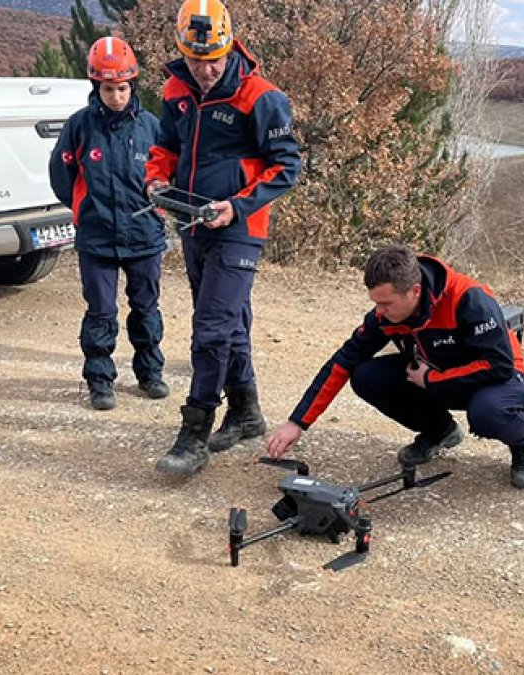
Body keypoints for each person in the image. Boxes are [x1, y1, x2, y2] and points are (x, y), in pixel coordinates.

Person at [145, 0, 301, 474]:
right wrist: (156, 179)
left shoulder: (260, 96)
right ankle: (246, 410)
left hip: (240, 228)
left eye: (214, 58)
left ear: (230, 45)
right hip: (192, 221)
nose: (206, 69)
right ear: (182, 52)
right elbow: (166, 147)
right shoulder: (175, 89)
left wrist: (237, 204)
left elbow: (286, 166)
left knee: (211, 327)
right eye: (196, 60)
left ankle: (194, 431)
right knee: (229, 322)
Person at [265, 245, 524, 489]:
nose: (379, 311)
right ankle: (440, 431)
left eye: (386, 303)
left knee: (488, 412)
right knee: (366, 376)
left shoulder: (469, 299)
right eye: (375, 303)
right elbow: (343, 361)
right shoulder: (386, 314)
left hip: (496, 378)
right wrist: (298, 422)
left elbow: (499, 366)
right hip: (435, 375)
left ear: (415, 291)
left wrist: (433, 379)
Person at [50, 36, 169, 411]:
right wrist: (85, 210)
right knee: (101, 312)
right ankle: (100, 381)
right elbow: (61, 174)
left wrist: (159, 207)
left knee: (146, 308)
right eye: (108, 89)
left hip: (144, 236)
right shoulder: (80, 127)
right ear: (95, 87)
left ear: (132, 85)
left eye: (122, 88)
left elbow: (168, 174)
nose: (116, 96)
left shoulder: (151, 126)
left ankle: (150, 374)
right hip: (97, 239)